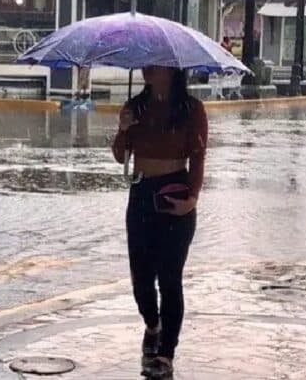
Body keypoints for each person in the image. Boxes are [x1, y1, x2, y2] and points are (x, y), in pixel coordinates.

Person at [111, 66, 208, 378]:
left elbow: (198, 158)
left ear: (172, 69)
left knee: (170, 279)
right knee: (141, 279)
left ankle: (166, 354)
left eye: (156, 64)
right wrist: (123, 128)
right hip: (141, 193)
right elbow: (118, 155)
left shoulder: (191, 109)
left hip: (174, 192)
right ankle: (152, 324)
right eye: (145, 64)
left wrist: (192, 198)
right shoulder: (135, 106)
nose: (147, 70)